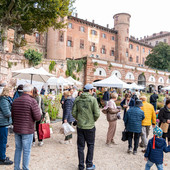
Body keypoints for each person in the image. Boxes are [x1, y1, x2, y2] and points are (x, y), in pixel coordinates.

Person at [12, 84, 41, 170]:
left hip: (17, 128)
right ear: (31, 91)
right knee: (26, 151)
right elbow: (38, 117)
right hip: (27, 130)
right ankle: (25, 168)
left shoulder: (16, 101)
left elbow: (12, 115)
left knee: (18, 149)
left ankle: (16, 168)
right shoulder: (32, 101)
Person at [72, 84, 100, 170]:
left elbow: (73, 112)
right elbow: (97, 114)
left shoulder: (77, 99)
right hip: (90, 126)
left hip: (80, 126)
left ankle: (81, 166)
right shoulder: (93, 99)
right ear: (90, 90)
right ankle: (89, 165)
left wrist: (79, 119)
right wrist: (92, 120)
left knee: (80, 146)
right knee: (90, 145)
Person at [0, 87, 13, 165]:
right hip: (2, 123)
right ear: (7, 92)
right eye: (11, 91)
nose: (13, 92)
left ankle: (2, 156)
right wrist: (14, 113)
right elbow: (7, 113)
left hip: (3, 123)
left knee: (2, 141)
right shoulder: (3, 100)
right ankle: (2, 158)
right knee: (3, 141)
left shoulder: (6, 99)